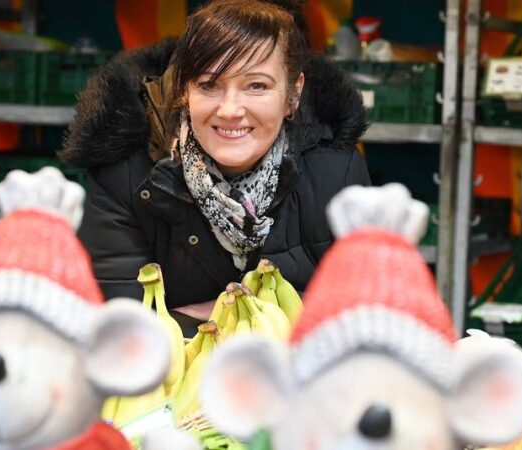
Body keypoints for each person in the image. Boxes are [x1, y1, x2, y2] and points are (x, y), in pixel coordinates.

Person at [59, 0, 370, 328]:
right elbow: (117, 328)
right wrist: (269, 317)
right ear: (184, 90)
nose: (230, 109)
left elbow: (359, 320)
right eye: (209, 85)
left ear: (293, 94)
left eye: (256, 86)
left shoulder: (336, 172)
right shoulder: (125, 172)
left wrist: (210, 314)